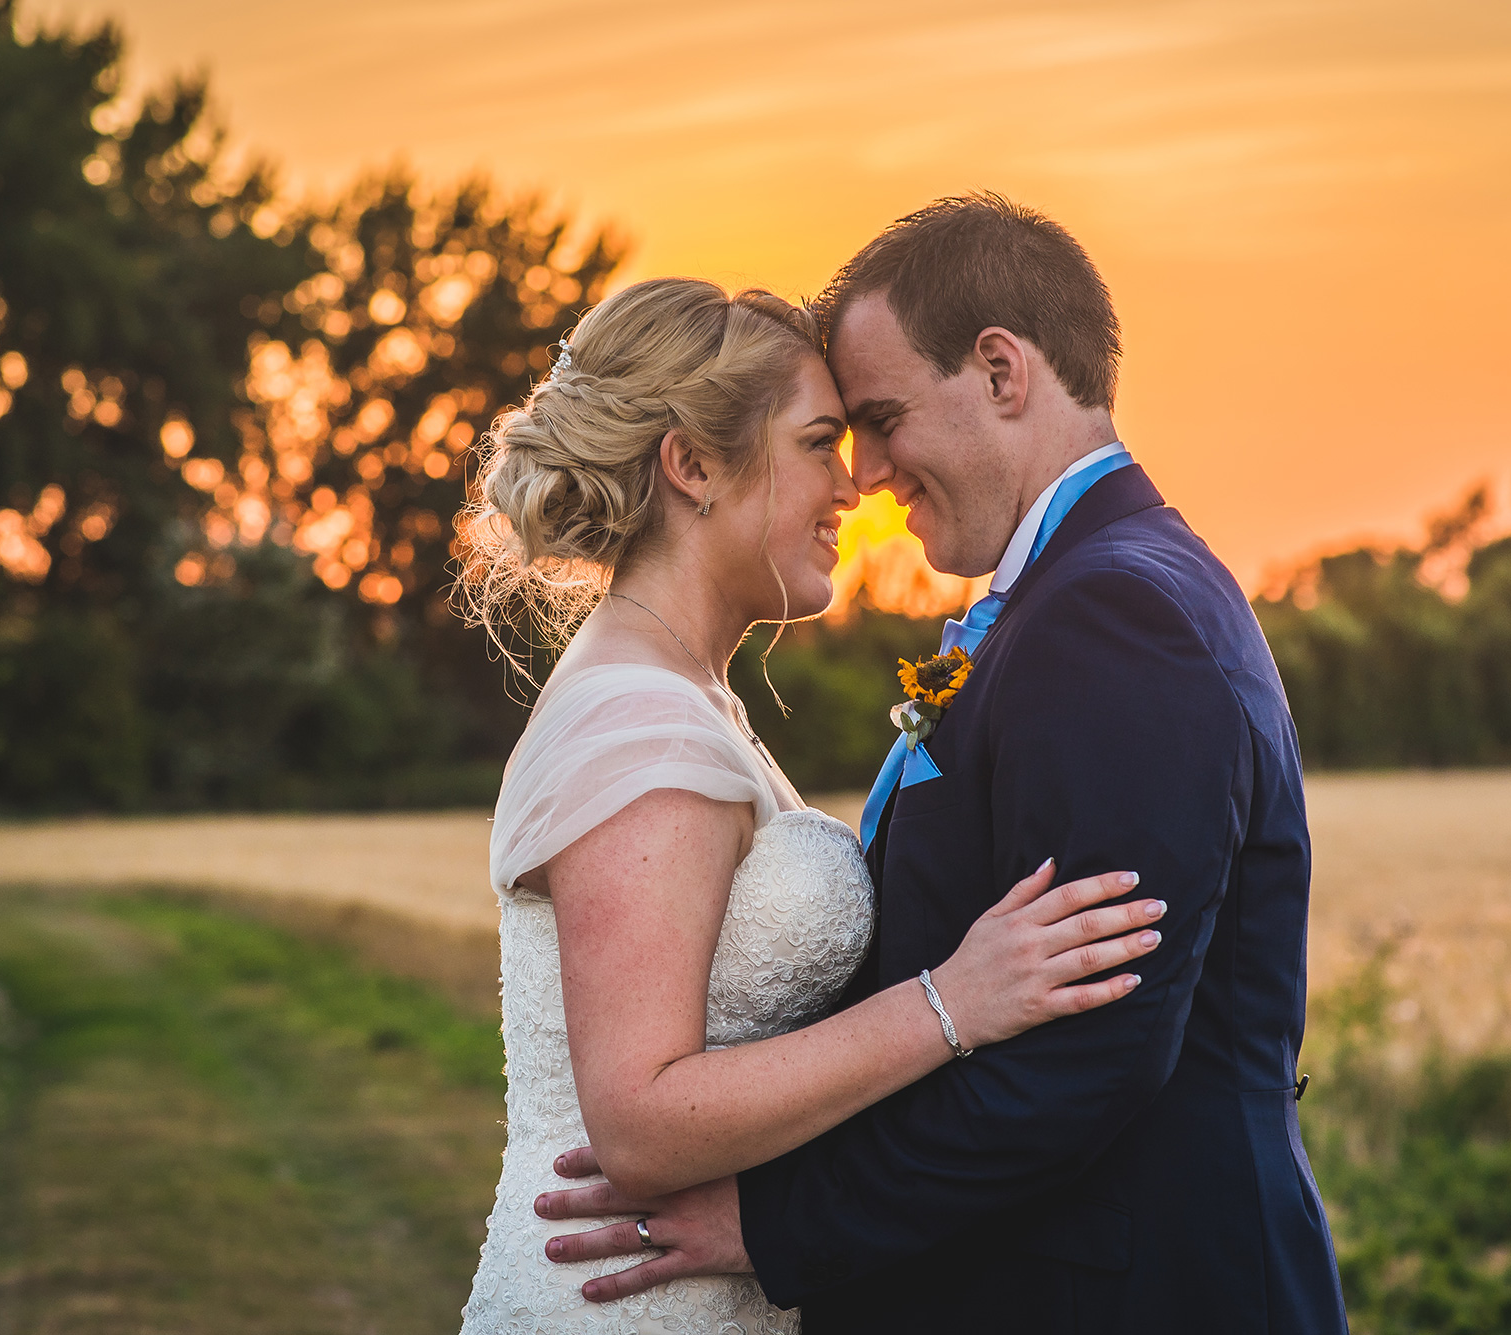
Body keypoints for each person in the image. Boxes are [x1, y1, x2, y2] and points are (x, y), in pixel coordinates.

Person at [534, 196, 1350, 1333]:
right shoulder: (1085, 594)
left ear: (1002, 373)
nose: (864, 474)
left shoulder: (1112, 613)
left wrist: (779, 1223)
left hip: (1122, 1292)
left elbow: (1087, 1051)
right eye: (831, 439)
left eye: (875, 419)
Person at [453, 276, 1166, 1335]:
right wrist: (950, 1004)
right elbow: (640, 1124)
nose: (854, 489)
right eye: (817, 444)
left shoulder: (683, 693)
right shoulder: (638, 722)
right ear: (690, 465)